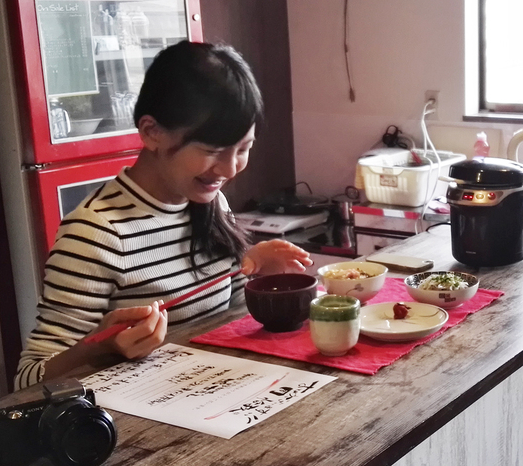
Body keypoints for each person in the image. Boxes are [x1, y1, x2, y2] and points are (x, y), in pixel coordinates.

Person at [16, 41, 312, 389]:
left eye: (244, 149)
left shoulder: (210, 203)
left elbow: (230, 327)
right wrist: (100, 346)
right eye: (211, 150)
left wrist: (256, 275)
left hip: (214, 401)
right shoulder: (96, 234)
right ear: (151, 132)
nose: (230, 168)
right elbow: (28, 380)